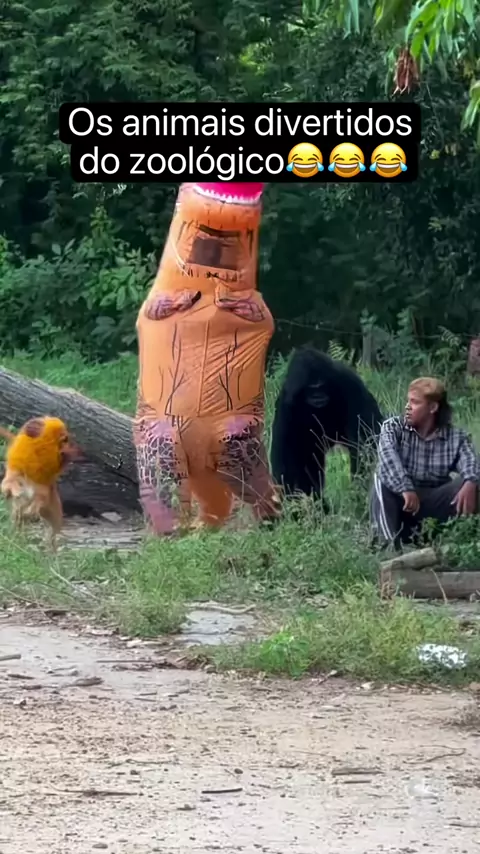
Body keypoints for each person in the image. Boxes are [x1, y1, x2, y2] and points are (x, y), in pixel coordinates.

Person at [370, 377, 479, 551]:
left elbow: (471, 462)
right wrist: (405, 487)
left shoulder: (456, 437)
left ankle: (463, 543)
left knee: (470, 483)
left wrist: (471, 482)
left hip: (433, 508)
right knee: (381, 478)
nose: (407, 407)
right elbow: (388, 458)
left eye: (415, 402)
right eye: (408, 401)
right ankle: (386, 547)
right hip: (401, 507)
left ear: (433, 407)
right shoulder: (394, 427)